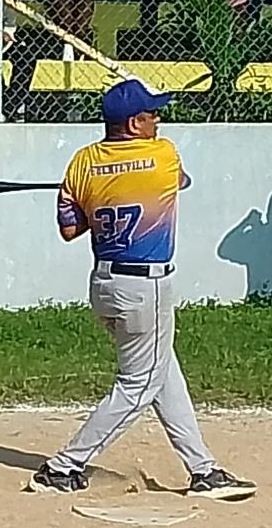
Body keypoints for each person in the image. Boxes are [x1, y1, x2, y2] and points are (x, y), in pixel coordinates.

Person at [27, 79, 256, 500]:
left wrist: (88, 194)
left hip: (106, 284)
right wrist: (121, 185)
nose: (158, 121)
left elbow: (70, 229)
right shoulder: (163, 154)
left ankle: (202, 469)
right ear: (134, 123)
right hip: (144, 289)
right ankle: (63, 466)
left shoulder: (82, 162)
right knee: (139, 384)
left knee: (164, 374)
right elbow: (181, 182)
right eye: (151, 115)